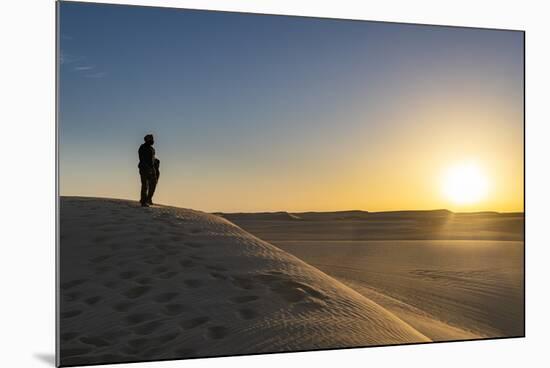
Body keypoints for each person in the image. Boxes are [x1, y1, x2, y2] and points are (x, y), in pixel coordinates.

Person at [138, 134, 158, 207]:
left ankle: (148, 199)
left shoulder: (152, 149)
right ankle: (143, 201)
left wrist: (156, 161)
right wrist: (147, 167)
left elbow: (152, 158)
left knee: (153, 183)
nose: (152, 140)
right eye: (151, 139)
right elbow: (142, 158)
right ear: (147, 140)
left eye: (152, 139)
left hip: (152, 169)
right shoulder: (142, 147)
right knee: (145, 185)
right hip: (144, 168)